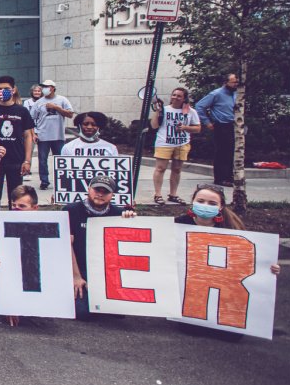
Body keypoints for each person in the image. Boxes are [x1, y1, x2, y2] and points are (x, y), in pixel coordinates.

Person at [65, 175, 137, 319]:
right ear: (88, 189)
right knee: (82, 312)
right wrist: (76, 276)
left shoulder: (118, 214)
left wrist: (131, 222)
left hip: (106, 271)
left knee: (118, 313)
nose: (100, 194)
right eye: (97, 189)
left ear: (112, 195)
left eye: (105, 191)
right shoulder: (71, 210)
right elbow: (65, 246)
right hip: (80, 267)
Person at [175, 184, 280, 275]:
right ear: (193, 202)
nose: (205, 205)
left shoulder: (231, 228)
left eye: (212, 203)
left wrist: (268, 268)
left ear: (221, 207)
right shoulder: (177, 224)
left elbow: (244, 260)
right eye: (201, 201)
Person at [0, 185, 43, 327]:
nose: (16, 209)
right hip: (11, 269)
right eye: (13, 205)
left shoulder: (46, 223)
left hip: (33, 271)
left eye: (22, 206)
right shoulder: (5, 222)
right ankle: (1, 302)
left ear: (35, 208)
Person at [0, 75, 35, 210]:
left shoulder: (22, 111)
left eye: (6, 88)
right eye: (0, 89)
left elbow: (27, 136)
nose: (3, 91)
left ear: (13, 90)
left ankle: (13, 224)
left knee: (15, 196)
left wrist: (27, 160)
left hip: (16, 160)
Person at [150, 87, 201, 205]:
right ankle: (157, 194)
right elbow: (154, 126)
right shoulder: (164, 110)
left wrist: (185, 128)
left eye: (179, 96)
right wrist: (157, 111)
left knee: (177, 170)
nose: (175, 98)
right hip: (164, 143)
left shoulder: (190, 111)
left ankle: (173, 194)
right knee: (160, 168)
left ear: (184, 98)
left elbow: (198, 128)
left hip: (182, 143)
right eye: (174, 95)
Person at [194, 74, 239, 186]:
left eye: (236, 82)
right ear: (226, 82)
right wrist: (207, 122)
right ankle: (220, 178)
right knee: (222, 152)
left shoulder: (236, 93)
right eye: (233, 82)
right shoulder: (216, 94)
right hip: (221, 125)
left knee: (231, 152)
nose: (235, 85)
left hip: (232, 125)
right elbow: (199, 106)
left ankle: (229, 177)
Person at [31, 79, 74, 190]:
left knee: (60, 159)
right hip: (43, 135)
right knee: (42, 160)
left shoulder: (62, 100)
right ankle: (44, 181)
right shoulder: (39, 102)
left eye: (46, 87)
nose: (44, 89)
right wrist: (33, 133)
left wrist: (56, 108)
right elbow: (31, 119)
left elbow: (70, 114)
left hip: (58, 135)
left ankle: (62, 180)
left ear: (53, 88)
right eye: (43, 87)